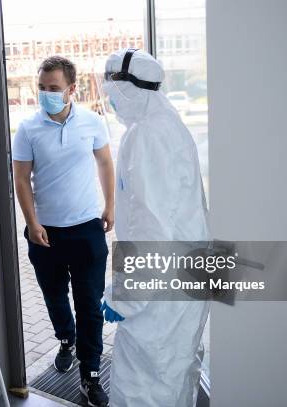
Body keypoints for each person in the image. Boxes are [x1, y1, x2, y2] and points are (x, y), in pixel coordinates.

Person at [101, 48, 210, 407]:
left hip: (160, 299)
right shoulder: (168, 124)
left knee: (143, 391)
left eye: (111, 91)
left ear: (128, 89)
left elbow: (153, 230)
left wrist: (124, 295)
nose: (110, 101)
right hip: (178, 289)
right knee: (174, 383)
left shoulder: (146, 136)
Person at [12, 56, 115, 407]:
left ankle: (90, 375)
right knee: (55, 298)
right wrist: (32, 222)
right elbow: (21, 179)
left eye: (53, 89)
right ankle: (66, 340)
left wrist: (110, 205)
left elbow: (104, 162)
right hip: (45, 234)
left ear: (72, 89)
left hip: (87, 231)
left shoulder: (92, 122)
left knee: (89, 306)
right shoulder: (28, 128)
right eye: (41, 88)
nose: (46, 94)